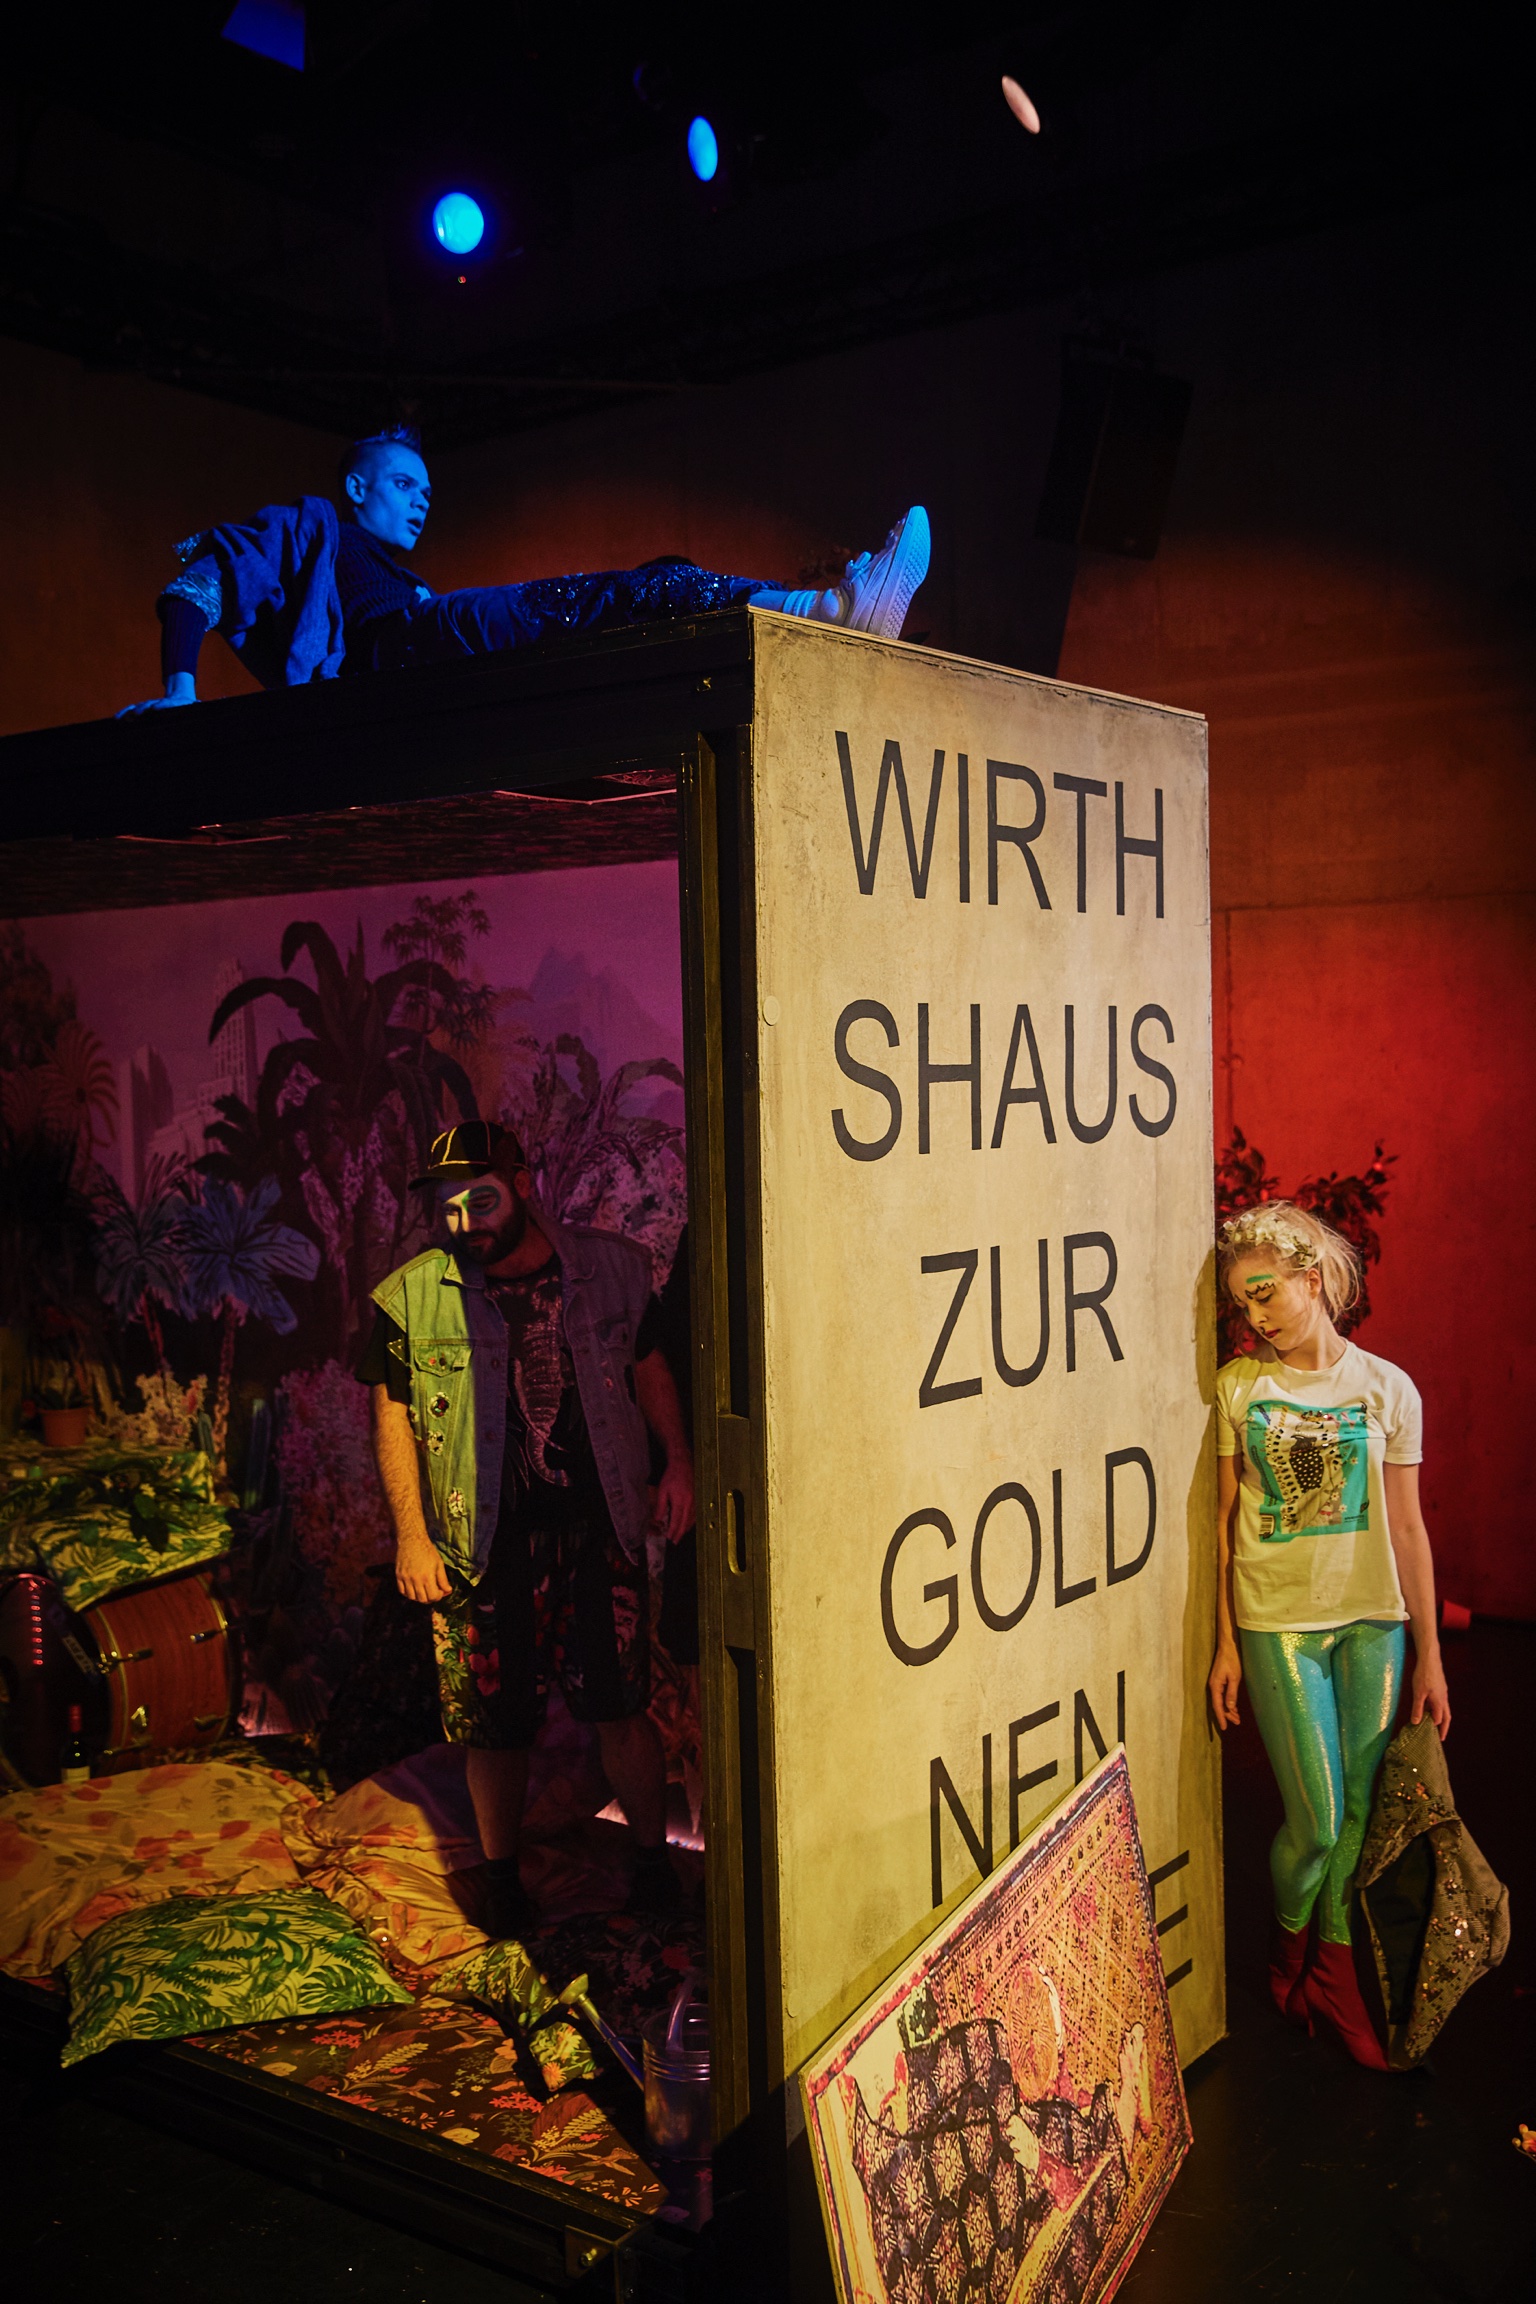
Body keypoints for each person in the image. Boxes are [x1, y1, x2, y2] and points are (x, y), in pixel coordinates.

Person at [357, 1119, 694, 1935]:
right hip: (483, 1541)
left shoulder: (611, 1270)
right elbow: (393, 1413)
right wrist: (411, 1534)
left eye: (480, 1199)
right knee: (493, 1723)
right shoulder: (412, 1297)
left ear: (521, 1182)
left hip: (597, 1527)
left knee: (621, 1706)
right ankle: (502, 1877)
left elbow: (648, 1364)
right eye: (449, 1206)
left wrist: (678, 1461)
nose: (464, 1220)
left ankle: (654, 1864)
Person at [121, 424, 931, 708]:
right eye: (403, 485)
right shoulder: (315, 526)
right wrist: (180, 691)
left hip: (424, 651)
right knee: (646, 591)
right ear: (357, 486)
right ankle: (827, 608)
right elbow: (199, 583)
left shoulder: (395, 572)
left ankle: (817, 618)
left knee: (657, 582)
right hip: (400, 650)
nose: (421, 501)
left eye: (427, 490)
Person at [1206, 1201, 1451, 2069]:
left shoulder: (1387, 1388)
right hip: (1279, 1622)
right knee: (1316, 1822)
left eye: (1266, 1292)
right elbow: (1222, 1524)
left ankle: (1335, 1981)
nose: (1256, 1316)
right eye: (1243, 1302)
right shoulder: (1241, 1387)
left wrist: (1431, 1652)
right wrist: (1225, 1642)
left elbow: (1409, 1528)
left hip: (1374, 1621)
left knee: (1358, 1821)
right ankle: (1288, 1951)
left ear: (1313, 1281)